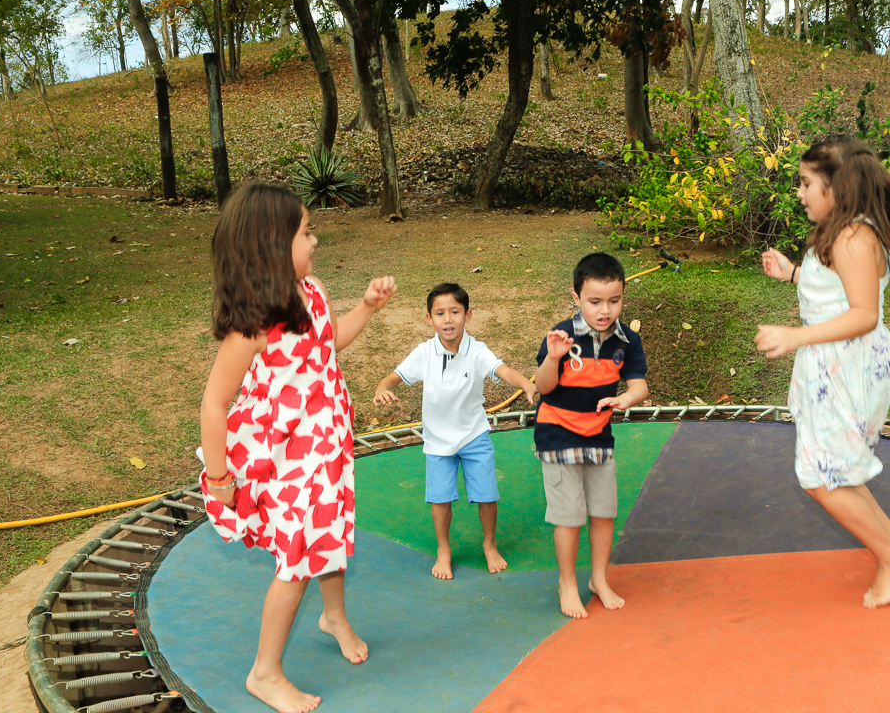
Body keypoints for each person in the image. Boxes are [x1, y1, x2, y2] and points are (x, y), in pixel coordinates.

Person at [198, 183, 396, 713]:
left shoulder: (312, 293)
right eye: (305, 232)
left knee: (329, 534)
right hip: (290, 464)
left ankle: (333, 617)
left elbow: (330, 343)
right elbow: (213, 405)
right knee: (297, 562)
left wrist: (367, 308)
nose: (315, 239)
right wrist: (219, 480)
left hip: (327, 447)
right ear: (269, 247)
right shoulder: (253, 326)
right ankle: (264, 673)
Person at [756, 135, 890, 609]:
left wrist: (794, 336)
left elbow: (864, 312)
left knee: (819, 475)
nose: (800, 192)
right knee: (835, 468)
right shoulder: (846, 230)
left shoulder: (852, 236)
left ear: (836, 186)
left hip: (844, 364)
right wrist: (793, 274)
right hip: (837, 361)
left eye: (807, 183)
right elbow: (839, 290)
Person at [372, 283, 537, 580]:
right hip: (437, 441)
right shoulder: (424, 353)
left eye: (455, 312)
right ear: (429, 318)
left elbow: (503, 371)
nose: (448, 320)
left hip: (474, 434)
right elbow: (393, 377)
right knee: (440, 499)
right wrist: (382, 388)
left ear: (468, 315)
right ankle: (444, 550)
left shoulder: (478, 351)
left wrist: (525, 383)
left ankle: (489, 544)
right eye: (440, 313)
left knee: (487, 495)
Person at [534, 253, 648, 619]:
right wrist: (553, 358)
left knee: (603, 513)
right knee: (569, 515)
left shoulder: (627, 340)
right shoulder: (561, 335)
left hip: (599, 436)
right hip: (558, 434)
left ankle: (599, 579)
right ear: (576, 296)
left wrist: (625, 399)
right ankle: (567, 582)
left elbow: (639, 386)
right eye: (595, 301)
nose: (605, 310)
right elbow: (543, 387)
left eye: (614, 301)